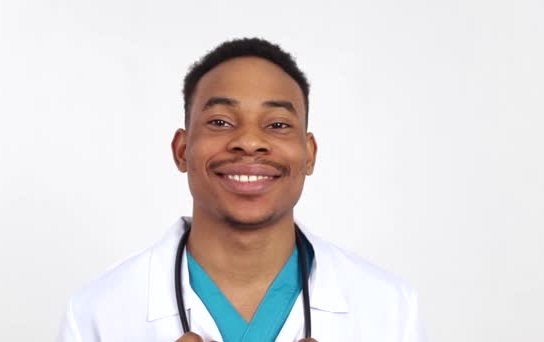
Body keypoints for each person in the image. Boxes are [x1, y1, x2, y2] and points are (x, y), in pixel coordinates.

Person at [57, 38, 427, 342]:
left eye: (278, 124)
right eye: (220, 121)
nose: (249, 142)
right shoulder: (99, 313)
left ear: (310, 155)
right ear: (181, 150)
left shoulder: (389, 308)